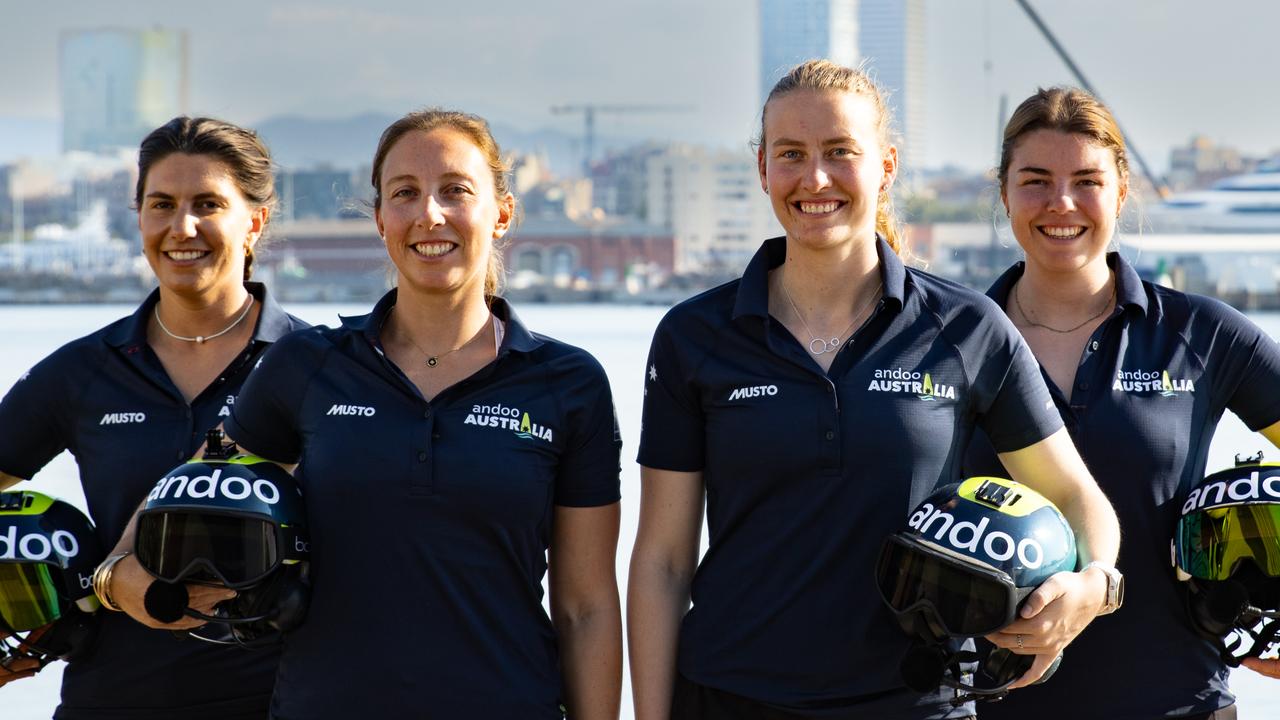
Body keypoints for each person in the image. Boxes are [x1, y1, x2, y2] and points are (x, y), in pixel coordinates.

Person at [627, 59, 1122, 720]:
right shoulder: (694, 336)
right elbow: (662, 564)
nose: (816, 179)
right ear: (762, 168)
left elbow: (1075, 497)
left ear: (886, 164)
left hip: (919, 701)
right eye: (791, 155)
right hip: (730, 696)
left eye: (841, 152)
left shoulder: (966, 328)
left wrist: (1094, 585)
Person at [114, 109, 624, 718]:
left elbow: (587, 607)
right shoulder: (309, 365)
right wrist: (119, 580)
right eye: (404, 193)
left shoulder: (567, 383)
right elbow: (183, 498)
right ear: (381, 217)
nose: (429, 215)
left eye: (455, 191)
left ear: (503, 213)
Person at [964, 86, 1280, 720]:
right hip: (988, 707)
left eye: (1086, 180)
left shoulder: (1203, 334)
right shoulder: (951, 339)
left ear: (1121, 191)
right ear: (1003, 193)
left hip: (1180, 703)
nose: (1061, 203)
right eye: (1035, 181)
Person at [0, 116, 306, 718]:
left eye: (208, 203)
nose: (181, 227)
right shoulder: (84, 370)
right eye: (161, 204)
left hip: (280, 702)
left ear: (255, 222)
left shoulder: (316, 366)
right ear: (139, 216)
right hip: (111, 699)